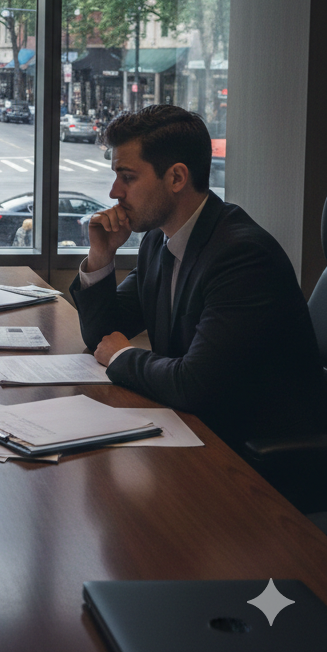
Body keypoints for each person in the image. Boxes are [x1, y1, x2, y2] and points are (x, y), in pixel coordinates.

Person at [72, 105, 327, 452]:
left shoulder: (242, 256)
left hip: (254, 458)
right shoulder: (156, 241)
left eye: (128, 177)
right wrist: (102, 256)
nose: (115, 192)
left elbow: (195, 385)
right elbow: (102, 335)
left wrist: (122, 356)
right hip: (193, 429)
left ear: (177, 178)